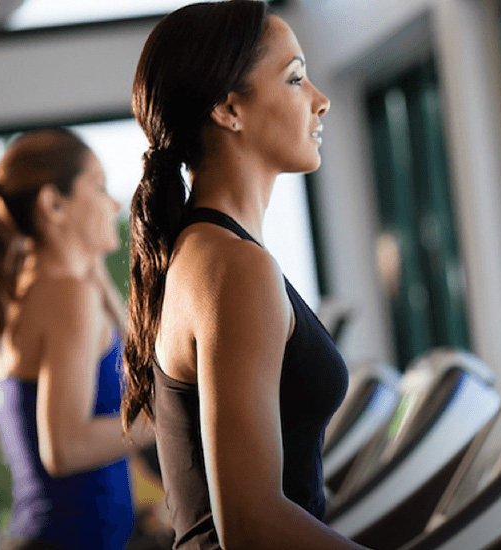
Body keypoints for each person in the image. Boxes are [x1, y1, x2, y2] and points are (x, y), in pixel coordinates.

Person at [122, 2, 364, 548]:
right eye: (296, 79)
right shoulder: (233, 267)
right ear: (230, 109)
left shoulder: (207, 252)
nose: (320, 101)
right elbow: (252, 523)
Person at [0, 128, 155, 550]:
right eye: (98, 186)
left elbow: (141, 363)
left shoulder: (38, 289)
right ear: (53, 204)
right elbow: (65, 448)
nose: (114, 204)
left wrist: (93, 270)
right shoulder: (64, 295)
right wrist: (166, 424)